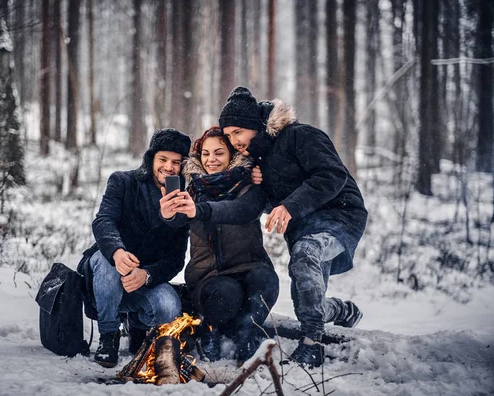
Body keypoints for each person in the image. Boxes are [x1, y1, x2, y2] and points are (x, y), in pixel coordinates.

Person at [218, 86, 368, 368]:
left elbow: (332, 175)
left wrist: (290, 206)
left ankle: (313, 345)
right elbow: (273, 204)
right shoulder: (258, 160)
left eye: (237, 132)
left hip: (341, 215)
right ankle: (342, 310)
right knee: (307, 306)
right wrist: (257, 184)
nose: (233, 140)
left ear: (253, 125)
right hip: (303, 228)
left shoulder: (300, 135)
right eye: (228, 136)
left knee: (306, 252)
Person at [160, 126, 279, 365]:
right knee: (227, 292)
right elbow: (176, 221)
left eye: (219, 153)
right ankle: (210, 331)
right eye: (205, 154)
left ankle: (247, 335)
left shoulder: (249, 186)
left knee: (266, 280)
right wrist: (169, 214)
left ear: (231, 155)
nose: (211, 160)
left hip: (250, 267)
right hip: (209, 277)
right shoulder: (190, 189)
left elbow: (242, 210)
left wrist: (201, 210)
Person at [77, 128, 191, 368]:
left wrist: (147, 275)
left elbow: (175, 260)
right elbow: (103, 221)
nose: (169, 167)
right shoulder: (123, 181)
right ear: (151, 159)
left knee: (169, 307)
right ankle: (108, 335)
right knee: (108, 267)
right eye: (163, 160)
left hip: (141, 280)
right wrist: (117, 252)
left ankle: (136, 325)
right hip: (107, 271)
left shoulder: (182, 201)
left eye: (176, 163)